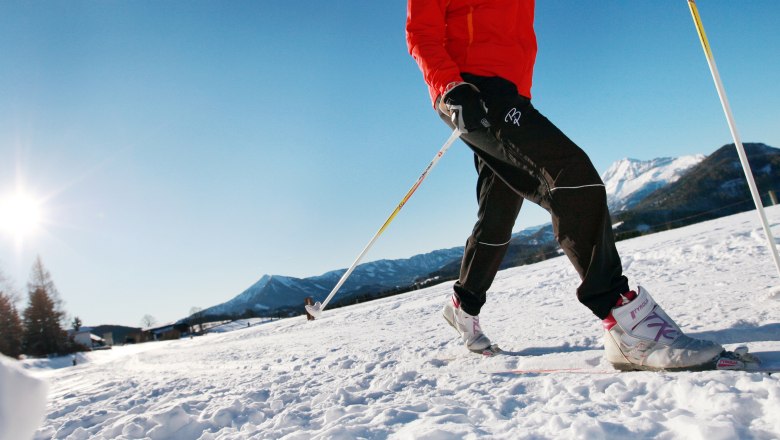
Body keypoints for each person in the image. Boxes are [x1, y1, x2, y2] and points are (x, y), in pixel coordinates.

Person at [405, 0, 724, 370]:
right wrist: (449, 85)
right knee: (571, 177)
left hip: (512, 92)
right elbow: (420, 31)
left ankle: (465, 305)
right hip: (472, 90)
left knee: (499, 210)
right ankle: (621, 318)